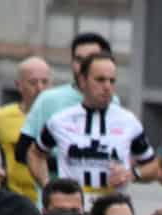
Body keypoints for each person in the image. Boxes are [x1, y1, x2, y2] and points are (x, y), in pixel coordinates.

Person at [33, 52, 160, 198]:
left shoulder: (128, 121)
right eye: (100, 80)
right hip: (71, 210)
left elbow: (153, 167)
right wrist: (47, 186)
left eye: (112, 81)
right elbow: (35, 153)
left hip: (112, 211)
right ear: (82, 81)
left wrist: (131, 174)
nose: (107, 86)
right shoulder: (60, 120)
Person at [15, 32, 117, 179]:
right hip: (57, 196)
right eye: (78, 59)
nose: (82, 65)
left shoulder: (114, 103)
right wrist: (69, 164)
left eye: (90, 59)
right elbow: (22, 151)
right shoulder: (49, 99)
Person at [0, 57, 53, 200]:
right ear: (18, 85)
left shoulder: (62, 119)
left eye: (45, 82)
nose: (40, 88)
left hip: (52, 197)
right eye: (33, 82)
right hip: (15, 198)